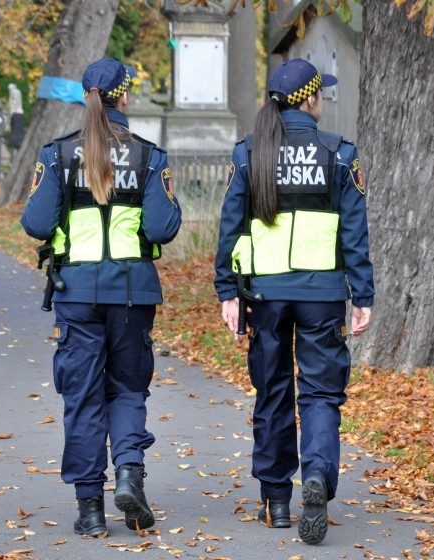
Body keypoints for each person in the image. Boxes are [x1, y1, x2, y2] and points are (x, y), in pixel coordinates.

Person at [214, 58, 374, 545]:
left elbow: (230, 226)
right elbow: (354, 232)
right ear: (311, 100)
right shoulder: (339, 154)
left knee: (273, 391)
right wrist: (362, 294)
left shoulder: (249, 153)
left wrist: (228, 290)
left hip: (265, 294)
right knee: (321, 393)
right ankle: (317, 475)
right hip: (322, 294)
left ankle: (276, 500)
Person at [21, 58, 182, 538]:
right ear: (124, 96)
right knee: (128, 389)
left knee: (83, 396)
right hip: (132, 293)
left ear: (84, 96)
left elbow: (35, 222)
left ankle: (90, 509)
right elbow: (163, 229)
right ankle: (129, 474)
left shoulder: (57, 154)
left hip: (76, 294)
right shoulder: (149, 156)